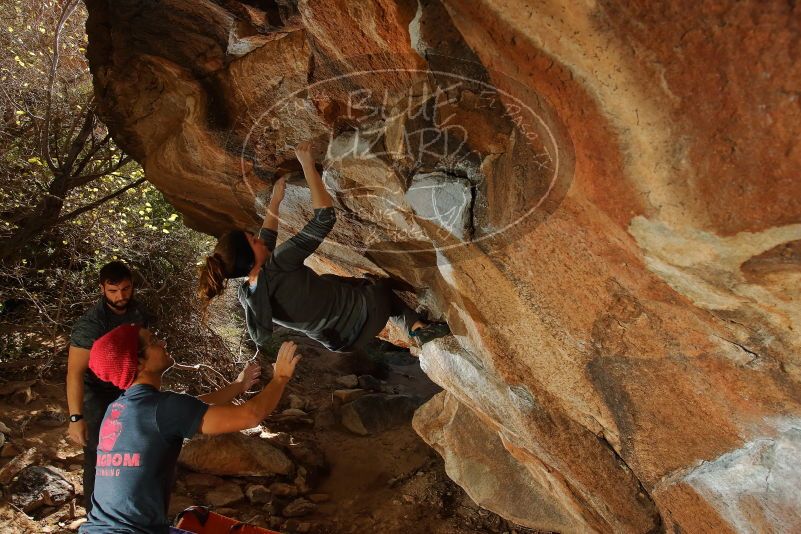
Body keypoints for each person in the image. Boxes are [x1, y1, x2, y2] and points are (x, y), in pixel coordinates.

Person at [198, 141, 449, 353]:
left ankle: (416, 328)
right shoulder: (279, 264)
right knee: (377, 285)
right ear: (250, 259)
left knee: (336, 281)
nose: (258, 237)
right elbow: (324, 219)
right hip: (368, 316)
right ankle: (416, 328)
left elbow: (267, 242)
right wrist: (307, 164)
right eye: (253, 240)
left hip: (341, 342)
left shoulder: (251, 292)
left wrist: (275, 202)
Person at [80, 324, 300, 533]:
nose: (163, 342)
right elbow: (251, 416)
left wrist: (238, 386)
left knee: (194, 516)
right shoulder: (164, 409)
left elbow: (194, 406)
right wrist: (280, 378)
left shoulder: (117, 409)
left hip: (96, 529)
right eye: (153, 341)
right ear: (137, 363)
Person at [66, 261, 153, 511]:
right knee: (96, 452)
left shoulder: (138, 311)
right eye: (113, 291)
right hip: (98, 391)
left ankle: (126, 504)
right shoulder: (91, 324)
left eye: (125, 289)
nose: (120, 297)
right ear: (102, 289)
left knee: (131, 447)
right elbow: (75, 373)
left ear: (132, 286)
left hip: (128, 386)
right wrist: (75, 417)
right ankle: (94, 514)